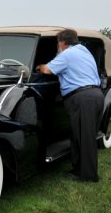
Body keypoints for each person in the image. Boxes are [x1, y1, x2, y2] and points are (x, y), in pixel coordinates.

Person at [36, 29, 104, 182]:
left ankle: (88, 175)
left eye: (58, 42)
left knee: (84, 137)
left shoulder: (67, 54)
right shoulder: (84, 50)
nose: (58, 45)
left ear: (63, 43)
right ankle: (78, 169)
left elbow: (47, 70)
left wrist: (39, 66)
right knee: (79, 135)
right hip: (95, 95)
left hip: (83, 98)